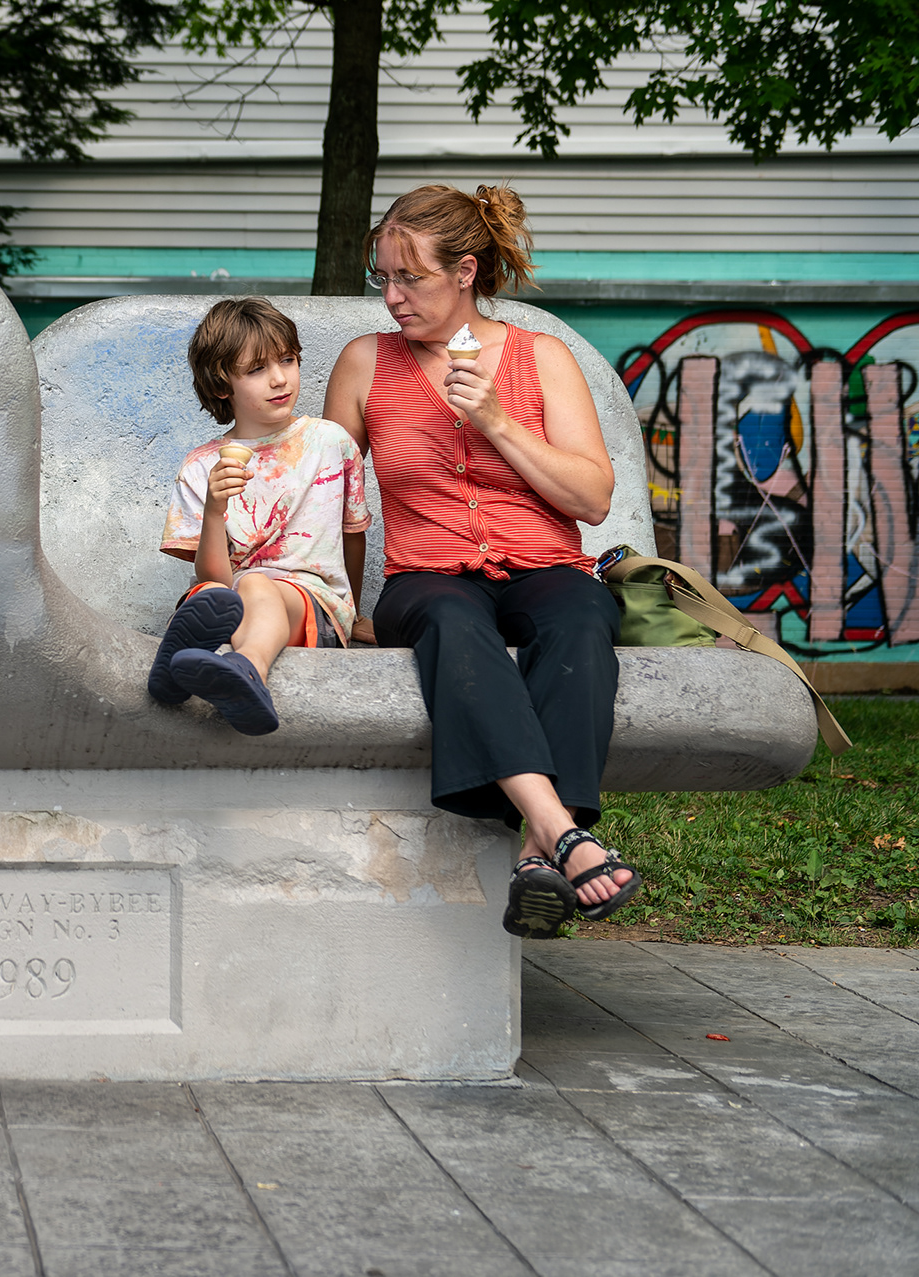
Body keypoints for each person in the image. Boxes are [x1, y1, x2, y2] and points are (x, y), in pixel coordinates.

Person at [324, 183, 642, 938]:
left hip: (545, 566)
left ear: (465, 271)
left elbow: (593, 498)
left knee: (582, 616)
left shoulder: (542, 358)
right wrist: (331, 598)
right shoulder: (367, 362)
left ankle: (537, 854)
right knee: (451, 621)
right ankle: (566, 835)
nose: (392, 297)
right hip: (424, 580)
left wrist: (496, 419)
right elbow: (325, 490)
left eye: (411, 277)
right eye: (384, 278)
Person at [147, 297, 372, 735]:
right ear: (220, 386)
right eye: (256, 370)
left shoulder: (330, 443)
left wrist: (352, 612)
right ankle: (196, 667)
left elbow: (352, 536)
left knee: (253, 583)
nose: (279, 378)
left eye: (287, 360)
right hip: (229, 597)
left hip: (309, 605)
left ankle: (244, 667)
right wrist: (215, 509)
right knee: (222, 595)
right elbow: (212, 576)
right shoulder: (201, 467)